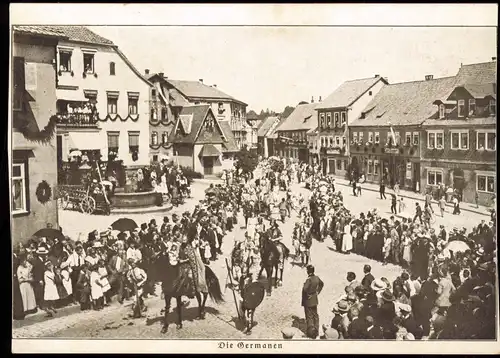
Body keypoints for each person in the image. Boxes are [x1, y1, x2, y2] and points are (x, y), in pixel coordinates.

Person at [301, 265, 324, 339]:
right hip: (315, 299)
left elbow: (305, 289)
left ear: (308, 271)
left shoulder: (309, 279)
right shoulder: (317, 278)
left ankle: (310, 333)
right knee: (315, 315)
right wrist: (317, 291)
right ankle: (316, 331)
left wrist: (308, 294)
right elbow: (321, 284)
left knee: (309, 316)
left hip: (308, 301)